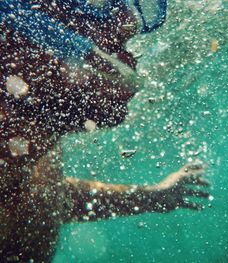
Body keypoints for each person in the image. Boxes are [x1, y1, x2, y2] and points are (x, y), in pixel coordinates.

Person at [0, 0, 210, 262]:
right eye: (97, 4)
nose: (130, 59)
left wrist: (153, 196)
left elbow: (47, 198)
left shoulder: (28, 145)